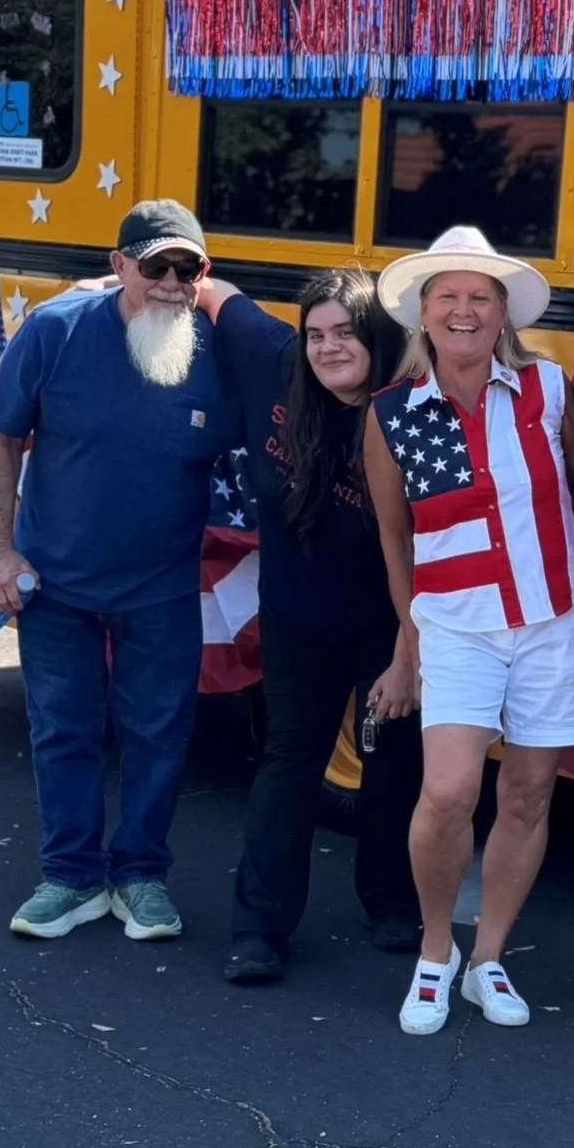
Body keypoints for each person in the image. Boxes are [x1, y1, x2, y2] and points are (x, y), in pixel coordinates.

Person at [0, 200, 238, 942]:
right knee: (62, 727)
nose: (168, 281)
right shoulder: (54, 331)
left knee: (159, 732)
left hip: (161, 586)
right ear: (118, 263)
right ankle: (70, 876)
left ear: (202, 275)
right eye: (153, 264)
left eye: (185, 268)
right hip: (54, 582)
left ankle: (140, 876)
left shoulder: (214, 355)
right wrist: (0, 553)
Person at [363, 225, 574, 1035]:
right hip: (457, 626)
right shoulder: (392, 414)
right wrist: (412, 634)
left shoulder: (548, 388)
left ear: (503, 313)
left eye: (480, 296)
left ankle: (488, 955)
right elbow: (395, 539)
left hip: (555, 618)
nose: (464, 310)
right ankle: (437, 950)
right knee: (449, 791)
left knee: (528, 793)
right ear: (422, 315)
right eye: (447, 297)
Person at [195, 268, 424, 985]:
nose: (327, 348)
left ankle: (391, 902)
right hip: (297, 618)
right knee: (289, 762)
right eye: (316, 334)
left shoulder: (408, 409)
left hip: (389, 626)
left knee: (392, 765)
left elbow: (426, 543)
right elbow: (213, 291)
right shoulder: (274, 360)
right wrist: (134, 287)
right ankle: (258, 929)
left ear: (376, 338)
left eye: (345, 334)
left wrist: (408, 654)